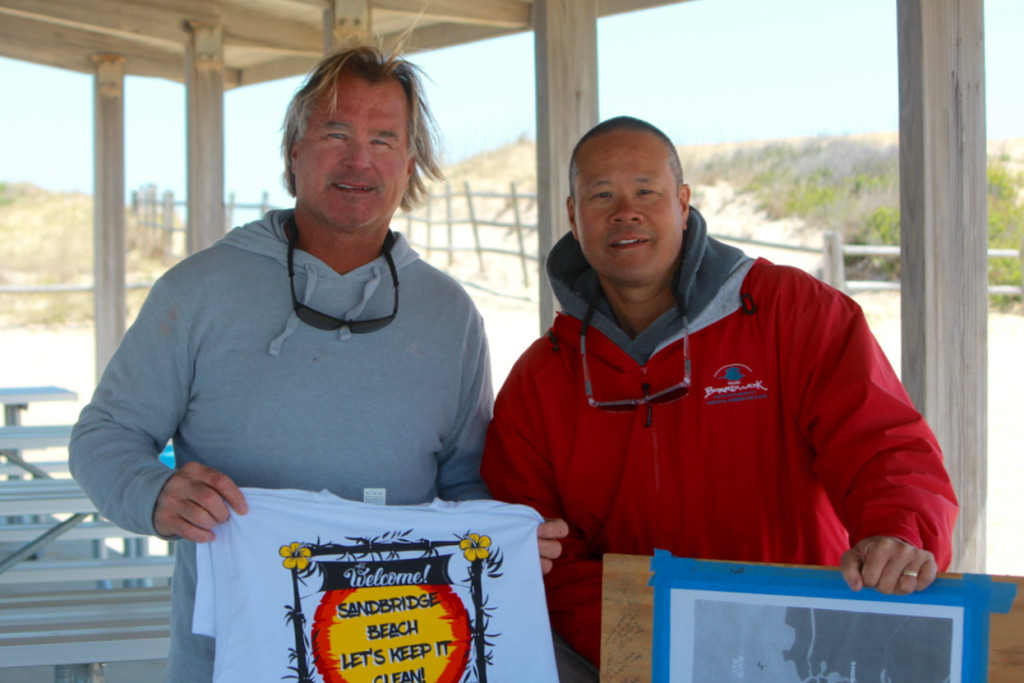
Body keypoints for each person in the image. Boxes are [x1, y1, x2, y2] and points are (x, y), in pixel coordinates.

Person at [69, 45, 564, 681]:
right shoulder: (198, 291)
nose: (360, 159)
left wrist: (510, 541)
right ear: (293, 152)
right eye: (336, 133)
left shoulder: (450, 313)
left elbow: (464, 481)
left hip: (401, 653)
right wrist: (154, 493)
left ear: (409, 165)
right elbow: (103, 436)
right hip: (229, 658)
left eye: (384, 139)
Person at [480, 116, 959, 674]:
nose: (625, 211)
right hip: (637, 658)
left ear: (683, 203)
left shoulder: (791, 312)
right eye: (601, 195)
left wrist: (896, 534)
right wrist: (654, 643)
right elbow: (538, 551)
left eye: (646, 192)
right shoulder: (540, 382)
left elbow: (884, 445)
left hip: (800, 649)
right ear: (572, 215)